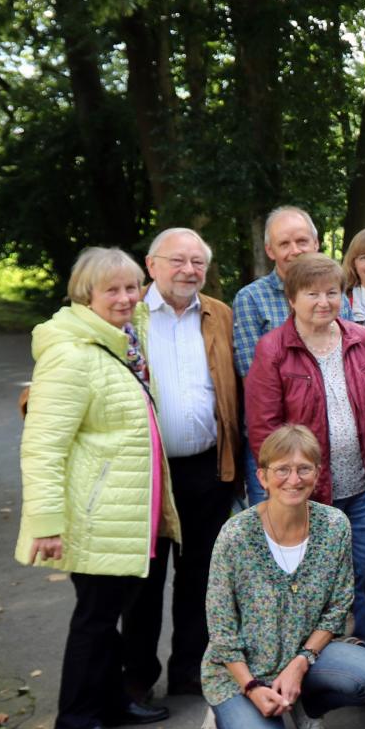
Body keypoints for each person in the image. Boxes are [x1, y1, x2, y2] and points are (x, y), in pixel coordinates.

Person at [18, 247, 182, 729]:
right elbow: (43, 445)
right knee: (94, 618)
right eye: (112, 289)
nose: (126, 298)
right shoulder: (72, 354)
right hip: (95, 512)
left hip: (131, 508)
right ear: (85, 294)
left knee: (114, 613)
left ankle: (111, 701)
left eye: (132, 288)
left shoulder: (124, 342)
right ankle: (75, 721)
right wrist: (46, 521)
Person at [201, 425, 365, 729]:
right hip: (242, 668)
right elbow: (221, 628)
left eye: (304, 468)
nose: (294, 478)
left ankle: (307, 706)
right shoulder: (236, 535)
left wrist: (300, 663)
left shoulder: (334, 525)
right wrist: (252, 687)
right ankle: (222, 711)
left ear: (318, 474)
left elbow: (338, 608)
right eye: (282, 469)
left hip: (306, 655)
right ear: (262, 476)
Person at [243, 252, 365, 645]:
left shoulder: (360, 339)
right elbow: (265, 431)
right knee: (314, 583)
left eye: (332, 292)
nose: (323, 302)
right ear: (291, 300)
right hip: (310, 494)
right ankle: (314, 665)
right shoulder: (273, 350)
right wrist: (287, 485)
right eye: (312, 294)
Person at [130, 229, 241, 703]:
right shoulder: (127, 314)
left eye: (198, 262)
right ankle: (135, 677)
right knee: (144, 578)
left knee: (201, 574)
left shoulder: (220, 314)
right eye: (178, 260)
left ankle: (189, 671)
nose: (189, 270)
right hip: (146, 473)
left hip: (207, 468)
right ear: (151, 265)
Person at [232, 206, 324, 379]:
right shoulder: (250, 299)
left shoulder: (335, 295)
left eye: (302, 241)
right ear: (270, 251)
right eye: (284, 244)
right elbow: (255, 377)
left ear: (316, 244)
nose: (295, 251)